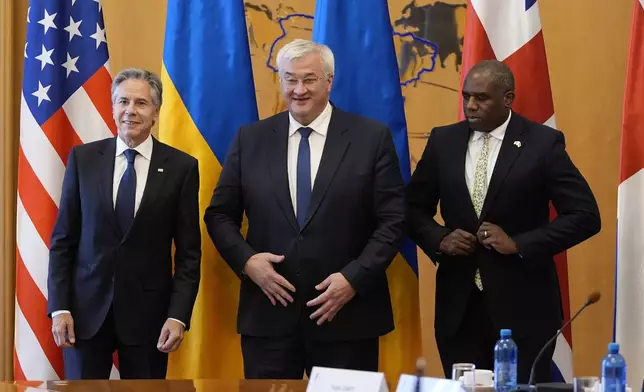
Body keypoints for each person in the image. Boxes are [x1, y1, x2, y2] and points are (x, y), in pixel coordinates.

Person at [204, 39, 406, 379]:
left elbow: (393, 220)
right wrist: (247, 262)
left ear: (329, 81)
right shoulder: (250, 139)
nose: (299, 89)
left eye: (309, 79)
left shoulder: (371, 138)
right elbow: (219, 214)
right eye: (290, 79)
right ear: (280, 81)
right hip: (268, 317)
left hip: (346, 317)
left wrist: (353, 279)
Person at [406, 60, 601, 383]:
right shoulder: (444, 141)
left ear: (508, 98)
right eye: (467, 96)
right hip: (460, 308)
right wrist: (439, 238)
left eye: (481, 98)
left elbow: (585, 216)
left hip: (525, 307)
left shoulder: (542, 144)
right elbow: (411, 208)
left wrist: (520, 243)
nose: (471, 106)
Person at [47, 68, 201, 379]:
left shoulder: (181, 168)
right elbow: (63, 240)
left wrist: (178, 316)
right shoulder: (83, 159)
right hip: (84, 316)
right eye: (123, 101)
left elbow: (188, 254)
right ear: (113, 107)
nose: (130, 110)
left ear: (156, 112)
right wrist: (60, 307)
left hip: (150, 320)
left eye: (141, 103)